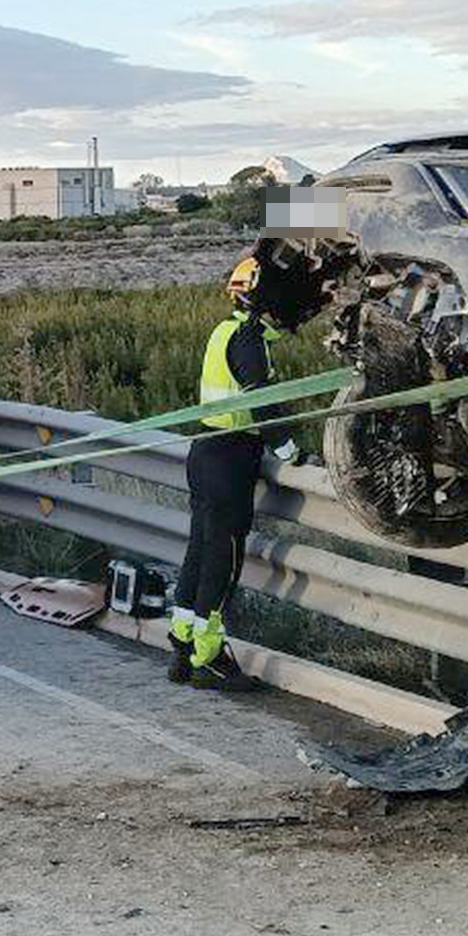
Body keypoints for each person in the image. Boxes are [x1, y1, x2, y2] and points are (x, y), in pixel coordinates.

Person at [169, 254, 280, 691]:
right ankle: (208, 658)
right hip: (232, 458)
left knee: (199, 551)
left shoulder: (223, 331)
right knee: (223, 558)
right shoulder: (250, 340)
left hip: (205, 451)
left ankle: (182, 646)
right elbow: (264, 400)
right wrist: (288, 448)